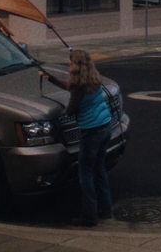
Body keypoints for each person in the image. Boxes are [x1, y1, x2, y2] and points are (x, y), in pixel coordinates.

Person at [41, 49, 114, 226]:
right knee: (99, 169)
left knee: (85, 174)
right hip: (105, 127)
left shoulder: (78, 87)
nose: (69, 64)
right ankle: (106, 209)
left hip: (91, 133)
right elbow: (71, 87)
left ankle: (89, 216)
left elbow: (70, 110)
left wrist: (59, 112)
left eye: (70, 62)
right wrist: (51, 78)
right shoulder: (94, 78)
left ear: (75, 66)